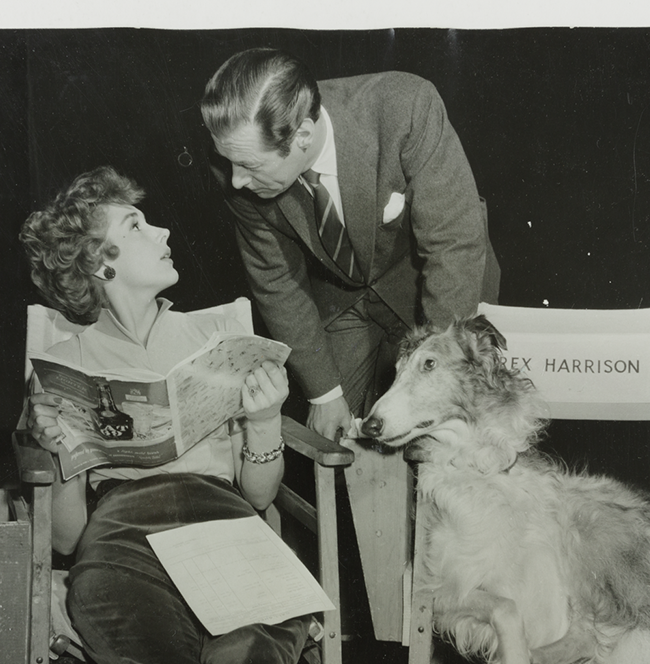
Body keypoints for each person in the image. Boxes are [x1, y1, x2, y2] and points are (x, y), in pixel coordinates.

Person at [20, 166, 309, 664]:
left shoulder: (215, 338)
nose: (162, 229)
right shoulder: (60, 368)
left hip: (221, 517)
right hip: (123, 533)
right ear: (102, 262)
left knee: (254, 642)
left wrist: (263, 420)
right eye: (136, 223)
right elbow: (70, 538)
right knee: (112, 608)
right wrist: (66, 455)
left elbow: (257, 496)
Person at [200, 48, 501, 441]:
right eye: (230, 162)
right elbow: (276, 280)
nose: (236, 180)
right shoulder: (236, 161)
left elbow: (453, 244)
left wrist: (435, 373)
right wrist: (324, 393)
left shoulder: (405, 107)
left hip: (433, 287)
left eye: (250, 167)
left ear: (303, 136)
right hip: (342, 299)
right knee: (333, 443)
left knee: (445, 434)